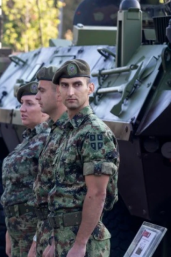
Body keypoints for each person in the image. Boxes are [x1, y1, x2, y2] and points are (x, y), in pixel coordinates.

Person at [49, 59, 119, 257]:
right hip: (63, 236)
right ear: (58, 92)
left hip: (84, 240)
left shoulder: (94, 132)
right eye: (65, 85)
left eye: (77, 84)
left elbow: (97, 193)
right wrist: (54, 241)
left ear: (90, 88)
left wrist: (80, 244)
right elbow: (60, 191)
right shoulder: (67, 132)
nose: (71, 92)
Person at [1, 81, 50, 257]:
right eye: (21, 103)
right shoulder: (30, 138)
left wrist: (39, 240)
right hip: (19, 228)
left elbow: (50, 196)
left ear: (44, 107)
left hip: (34, 228)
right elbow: (16, 188)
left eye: (29, 104)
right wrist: (10, 229)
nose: (22, 109)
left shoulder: (49, 140)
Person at [30, 66, 68, 257]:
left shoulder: (77, 134)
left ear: (59, 95)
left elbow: (93, 196)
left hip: (65, 239)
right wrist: (37, 242)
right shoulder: (53, 133)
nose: (37, 97)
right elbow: (45, 195)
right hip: (47, 236)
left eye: (41, 91)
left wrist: (55, 242)